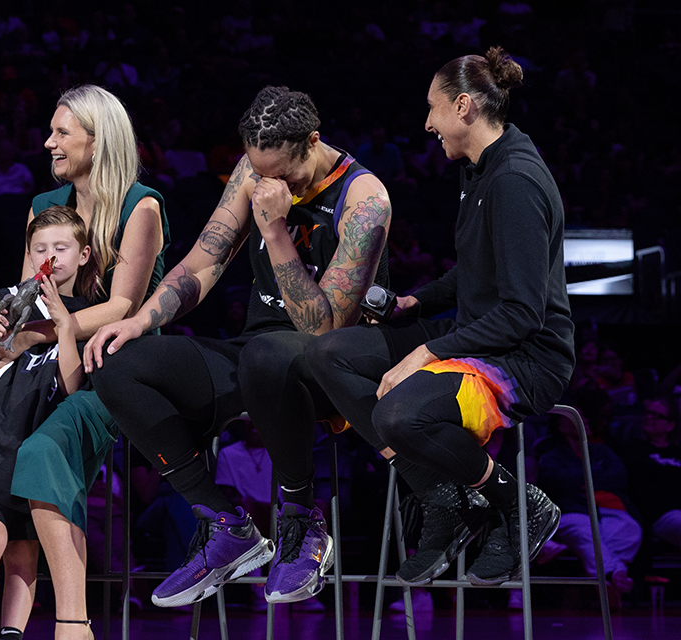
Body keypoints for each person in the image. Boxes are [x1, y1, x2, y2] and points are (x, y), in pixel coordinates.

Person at [86, 85, 391, 607]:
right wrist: (139, 321)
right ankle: (225, 526)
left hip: (326, 371)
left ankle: (301, 522)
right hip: (255, 356)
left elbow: (323, 330)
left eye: (283, 175)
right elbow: (206, 258)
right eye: (258, 171)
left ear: (312, 143)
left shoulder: (365, 200)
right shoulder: (254, 173)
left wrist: (273, 230)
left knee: (270, 354)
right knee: (118, 364)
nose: (269, 184)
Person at [0, 84, 170, 640]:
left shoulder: (140, 206)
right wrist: (4, 337)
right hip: (39, 361)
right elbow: (25, 297)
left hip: (110, 369)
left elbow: (123, 305)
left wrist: (52, 331)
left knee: (42, 450)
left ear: (98, 142)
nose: (47, 141)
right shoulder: (43, 211)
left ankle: (73, 622)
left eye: (61, 132)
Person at [308, 46, 572, 589]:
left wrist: (424, 352)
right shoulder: (479, 171)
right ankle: (441, 495)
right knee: (327, 355)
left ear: (464, 107)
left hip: (524, 358)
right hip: (476, 337)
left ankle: (519, 506)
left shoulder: (515, 181)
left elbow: (522, 312)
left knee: (397, 417)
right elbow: (474, 274)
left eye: (433, 109)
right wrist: (415, 305)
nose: (427, 124)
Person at [0, 206, 95, 640]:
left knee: (23, 551)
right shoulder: (2, 301)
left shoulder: (88, 312)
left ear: (83, 255)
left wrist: (65, 328)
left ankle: (11, 631)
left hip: (34, 442)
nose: (50, 256)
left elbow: (71, 386)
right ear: (29, 255)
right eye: (40, 248)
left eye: (61, 248)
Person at [540, 384, 641, 604]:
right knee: (586, 531)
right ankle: (615, 574)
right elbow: (557, 482)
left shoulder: (602, 450)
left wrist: (585, 479)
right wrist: (595, 476)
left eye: (584, 418)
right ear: (562, 425)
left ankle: (603, 578)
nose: (584, 422)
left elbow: (619, 477)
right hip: (572, 512)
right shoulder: (552, 454)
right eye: (578, 418)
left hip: (610, 509)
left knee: (630, 531)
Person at [623, 395, 681, 552]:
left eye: (657, 416)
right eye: (648, 413)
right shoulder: (633, 449)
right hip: (659, 516)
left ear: (670, 425)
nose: (649, 418)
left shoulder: (678, 452)